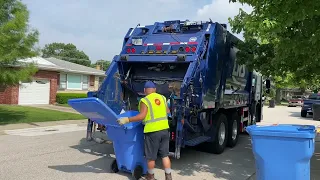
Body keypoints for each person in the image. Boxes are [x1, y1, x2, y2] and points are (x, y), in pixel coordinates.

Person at [117, 81, 173, 180]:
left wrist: (127, 119)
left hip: (152, 131)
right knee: (165, 155)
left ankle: (150, 176)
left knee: (151, 157)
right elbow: (168, 112)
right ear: (155, 89)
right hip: (164, 130)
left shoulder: (145, 100)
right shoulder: (163, 98)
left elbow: (141, 116)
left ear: (144, 91)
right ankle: (168, 176)